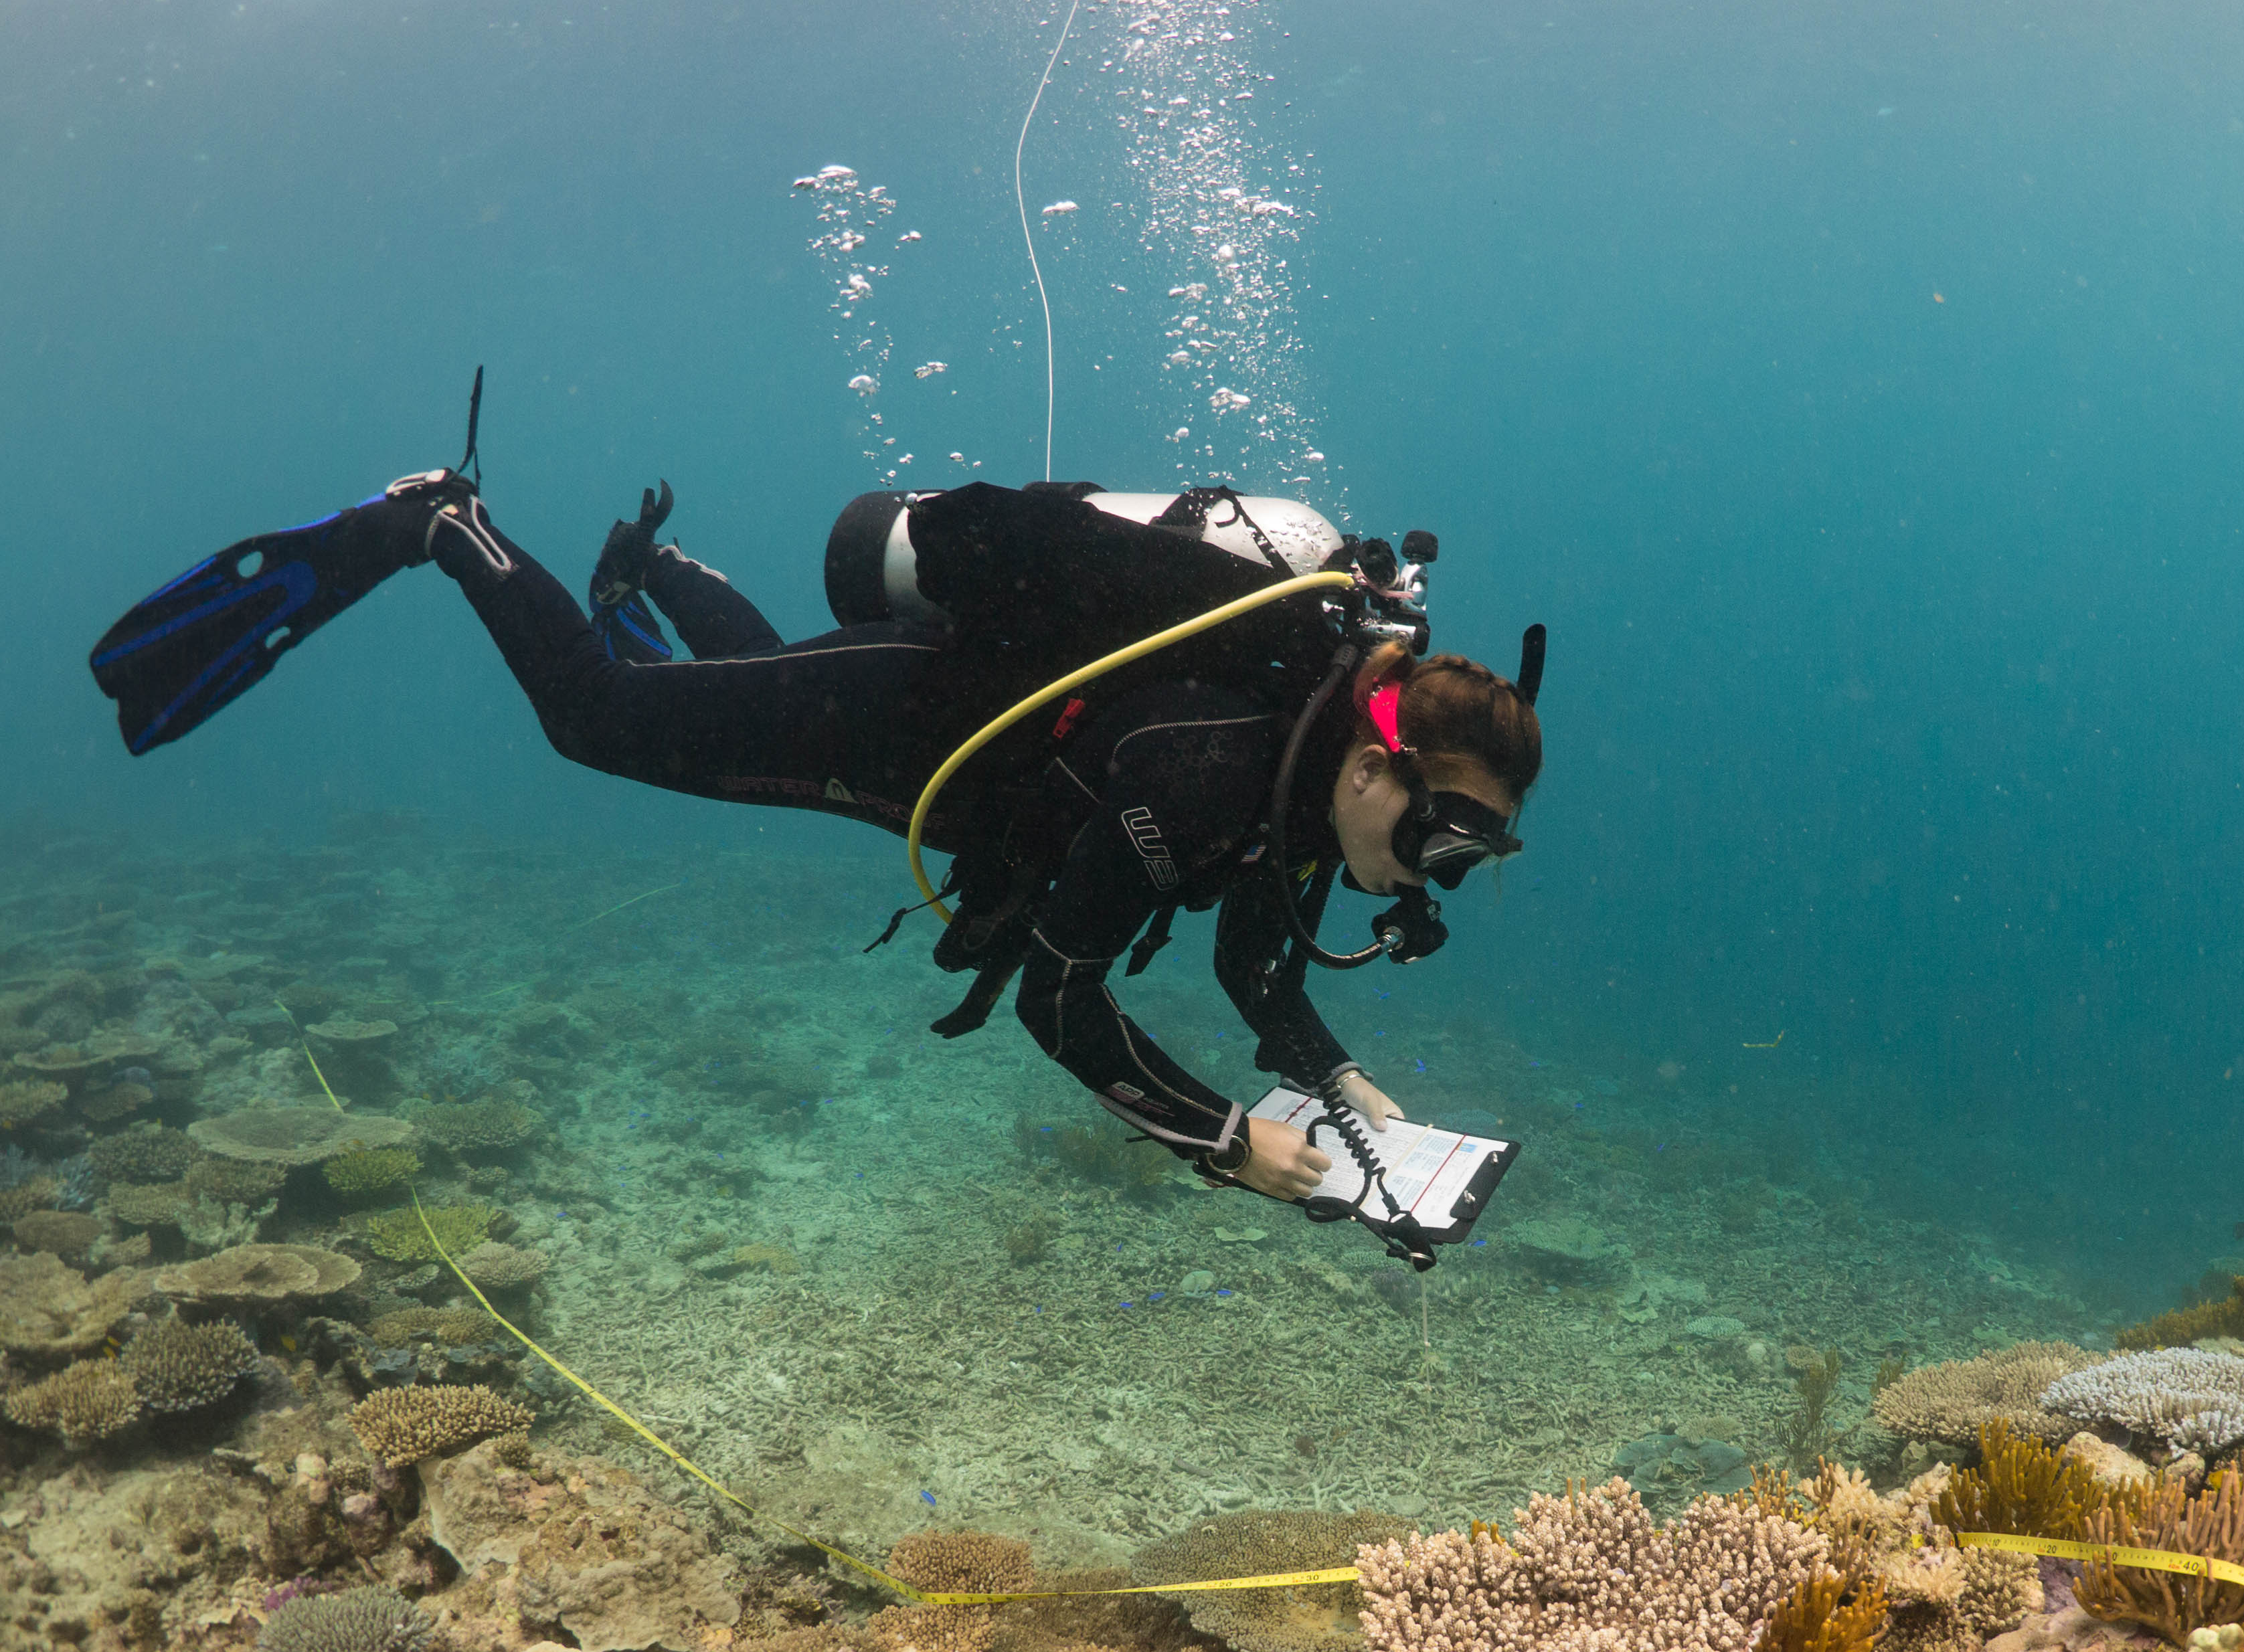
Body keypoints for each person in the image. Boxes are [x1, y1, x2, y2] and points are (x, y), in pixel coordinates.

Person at [105, 465, 1541, 1204]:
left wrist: (1349, 1090)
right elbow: (1060, 991)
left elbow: (1255, 971)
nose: (1438, 886)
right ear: (1376, 764)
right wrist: (1226, 1139)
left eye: (1470, 864)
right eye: (1448, 844)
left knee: (742, 686)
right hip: (902, 721)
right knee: (601, 717)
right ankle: (442, 519)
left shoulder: (1298, 793)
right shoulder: (1223, 768)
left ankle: (656, 570)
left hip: (938, 752)